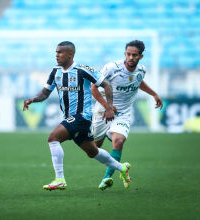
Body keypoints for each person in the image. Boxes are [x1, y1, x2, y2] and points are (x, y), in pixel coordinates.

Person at [23, 41, 131, 191]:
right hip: (70, 117)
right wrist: (33, 99)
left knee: (53, 138)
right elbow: (45, 92)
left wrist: (109, 107)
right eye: (56, 52)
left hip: (82, 116)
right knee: (93, 152)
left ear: (70, 54)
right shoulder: (55, 72)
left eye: (60, 52)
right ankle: (122, 167)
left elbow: (106, 84)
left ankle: (60, 178)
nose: (57, 55)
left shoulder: (82, 70)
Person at [91, 40, 163, 191]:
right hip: (103, 111)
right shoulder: (111, 68)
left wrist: (154, 94)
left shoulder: (141, 70)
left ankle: (107, 178)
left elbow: (138, 82)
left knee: (118, 142)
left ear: (141, 56)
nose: (131, 57)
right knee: (94, 148)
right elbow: (94, 87)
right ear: (125, 54)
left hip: (123, 112)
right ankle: (121, 166)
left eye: (134, 55)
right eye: (128, 54)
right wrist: (107, 106)